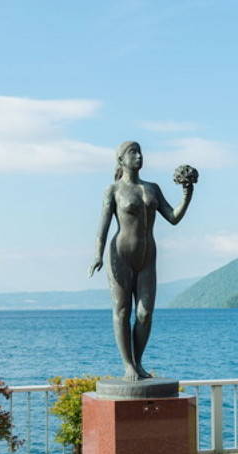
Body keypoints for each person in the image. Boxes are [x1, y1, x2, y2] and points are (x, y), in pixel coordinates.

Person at [89, 141, 195, 381]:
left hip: (148, 257)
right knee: (122, 310)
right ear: (121, 160)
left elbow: (173, 217)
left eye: (140, 152)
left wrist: (187, 194)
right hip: (121, 255)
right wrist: (98, 254)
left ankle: (139, 363)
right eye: (132, 152)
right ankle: (129, 365)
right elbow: (102, 226)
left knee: (145, 313)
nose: (138, 156)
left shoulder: (153, 189)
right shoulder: (113, 190)